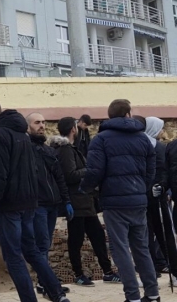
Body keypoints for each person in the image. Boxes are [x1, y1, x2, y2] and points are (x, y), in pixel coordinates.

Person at [0, 97, 69, 302]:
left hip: (11, 205)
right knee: (32, 251)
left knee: (14, 257)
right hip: (29, 203)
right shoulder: (22, 134)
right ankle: (58, 294)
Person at [80, 99, 159, 302]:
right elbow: (151, 171)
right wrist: (141, 188)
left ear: (110, 115)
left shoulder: (101, 139)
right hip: (139, 200)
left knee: (121, 249)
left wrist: (86, 189)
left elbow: (94, 171)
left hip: (114, 203)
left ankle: (132, 296)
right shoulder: (143, 138)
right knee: (141, 248)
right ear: (127, 114)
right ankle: (152, 294)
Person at [50, 118, 119, 287]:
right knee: (76, 239)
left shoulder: (69, 148)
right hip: (76, 200)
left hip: (84, 201)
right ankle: (79, 274)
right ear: (73, 129)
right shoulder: (65, 149)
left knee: (97, 235)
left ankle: (108, 272)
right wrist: (90, 169)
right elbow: (70, 175)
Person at [26, 113, 73, 295]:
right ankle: (46, 283)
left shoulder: (48, 150)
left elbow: (59, 177)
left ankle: (44, 282)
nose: (42, 126)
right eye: (37, 122)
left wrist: (66, 200)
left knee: (45, 244)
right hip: (37, 204)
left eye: (44, 122)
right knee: (42, 244)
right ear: (28, 126)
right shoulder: (27, 150)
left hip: (53, 204)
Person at [144, 117, 177, 283]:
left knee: (164, 235)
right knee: (147, 236)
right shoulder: (147, 146)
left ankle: (174, 271)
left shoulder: (162, 147)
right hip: (147, 198)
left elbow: (165, 172)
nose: (163, 132)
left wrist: (162, 187)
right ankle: (150, 272)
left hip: (157, 196)